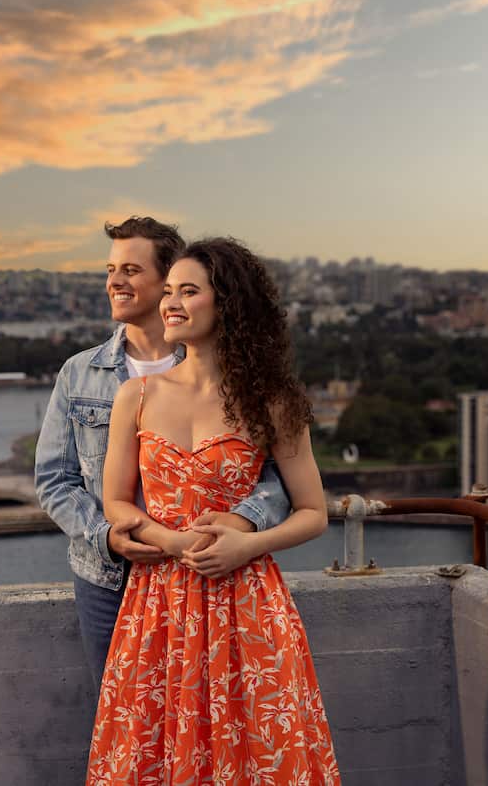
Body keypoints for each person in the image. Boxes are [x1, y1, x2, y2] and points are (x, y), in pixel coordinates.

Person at [86, 237, 339, 785]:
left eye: (189, 292)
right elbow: (115, 502)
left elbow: (314, 512)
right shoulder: (138, 395)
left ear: (227, 304)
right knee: (151, 748)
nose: (170, 304)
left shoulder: (271, 401)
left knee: (258, 751)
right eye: (168, 291)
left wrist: (248, 545)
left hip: (248, 601)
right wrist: (172, 542)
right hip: (158, 604)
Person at [34, 217, 292, 694]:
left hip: (210, 573)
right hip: (108, 580)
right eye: (110, 270)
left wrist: (240, 525)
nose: (114, 282)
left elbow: (275, 477)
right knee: (127, 721)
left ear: (171, 278)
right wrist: (109, 534)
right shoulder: (79, 373)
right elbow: (54, 480)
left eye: (131, 270)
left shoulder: (223, 371)